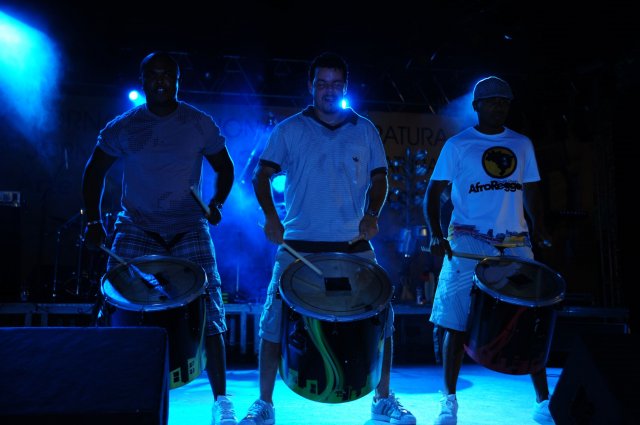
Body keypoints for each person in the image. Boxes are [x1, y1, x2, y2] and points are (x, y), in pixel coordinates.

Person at [239, 52, 416, 425]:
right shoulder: (290, 129)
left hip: (353, 245)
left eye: (336, 84)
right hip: (298, 246)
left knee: (383, 317)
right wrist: (271, 217)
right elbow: (261, 175)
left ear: (345, 87)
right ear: (311, 86)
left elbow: (380, 179)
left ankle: (382, 398)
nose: (329, 90)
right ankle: (264, 403)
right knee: (273, 322)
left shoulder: (365, 129)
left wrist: (372, 214)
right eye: (322, 83)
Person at [81, 51, 237, 425]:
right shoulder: (125, 126)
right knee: (113, 302)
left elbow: (225, 167)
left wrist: (216, 202)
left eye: (168, 74)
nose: (161, 80)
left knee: (211, 307)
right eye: (154, 75)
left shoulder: (198, 123)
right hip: (137, 227)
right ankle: (110, 393)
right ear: (143, 80)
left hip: (189, 227)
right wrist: (93, 221)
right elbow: (93, 171)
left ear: (178, 81)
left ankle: (222, 401)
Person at [423, 76, 555, 425]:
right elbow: (433, 192)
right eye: (493, 101)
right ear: (477, 106)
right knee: (455, 320)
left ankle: (543, 401)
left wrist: (540, 228)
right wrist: (436, 233)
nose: (499, 106)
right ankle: (448, 400)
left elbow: (531, 191)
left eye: (504, 101)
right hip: (468, 239)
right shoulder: (459, 144)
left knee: (532, 316)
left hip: (514, 240)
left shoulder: (521, 144)